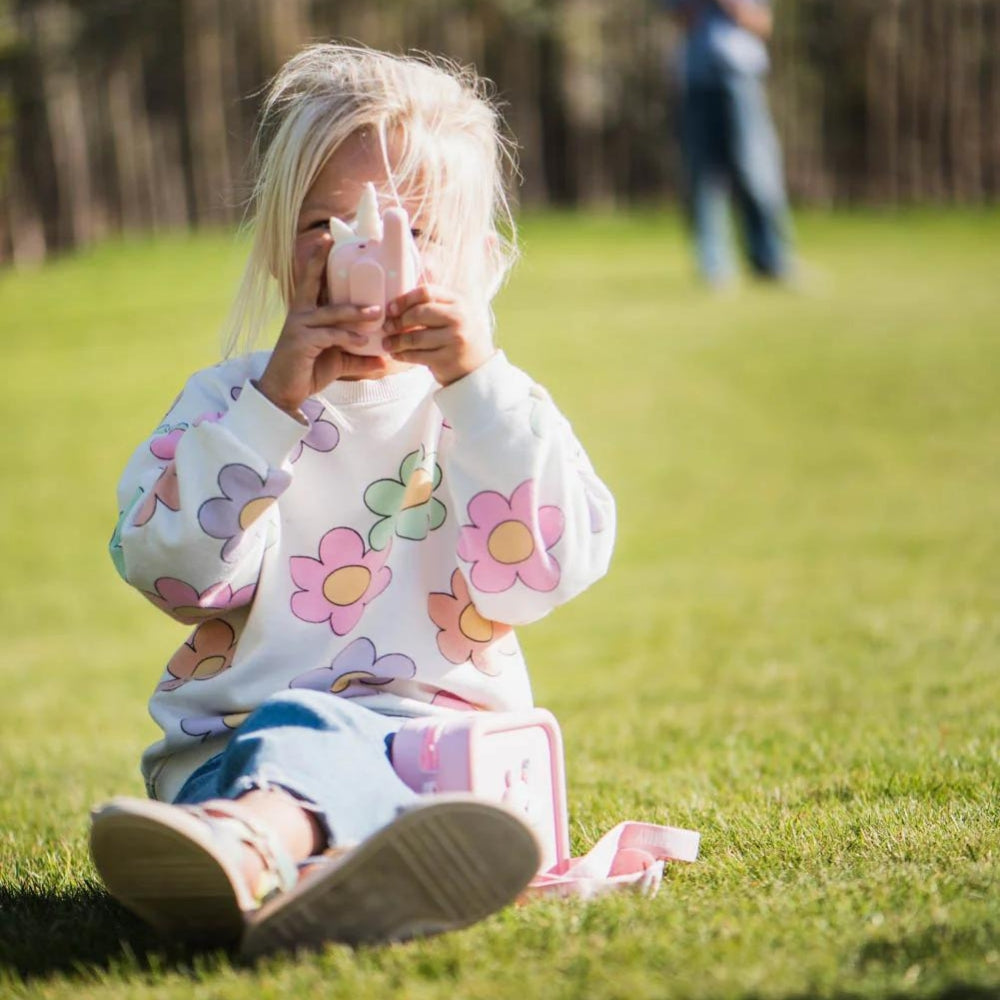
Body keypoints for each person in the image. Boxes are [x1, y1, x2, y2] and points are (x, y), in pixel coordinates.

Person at [91, 43, 616, 959]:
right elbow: (173, 575)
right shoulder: (231, 405)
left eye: (414, 233)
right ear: (279, 251)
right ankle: (273, 844)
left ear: (483, 266)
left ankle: (288, 863)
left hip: (450, 767)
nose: (373, 260)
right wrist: (271, 412)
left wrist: (476, 385)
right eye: (331, 229)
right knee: (309, 730)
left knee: (425, 782)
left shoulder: (498, 411)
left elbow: (539, 576)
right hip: (237, 757)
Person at [664, 0, 793, 286]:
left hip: (740, 76)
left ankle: (771, 260)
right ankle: (714, 267)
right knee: (703, 176)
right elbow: (676, 18)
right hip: (696, 78)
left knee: (756, 170)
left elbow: (763, 24)